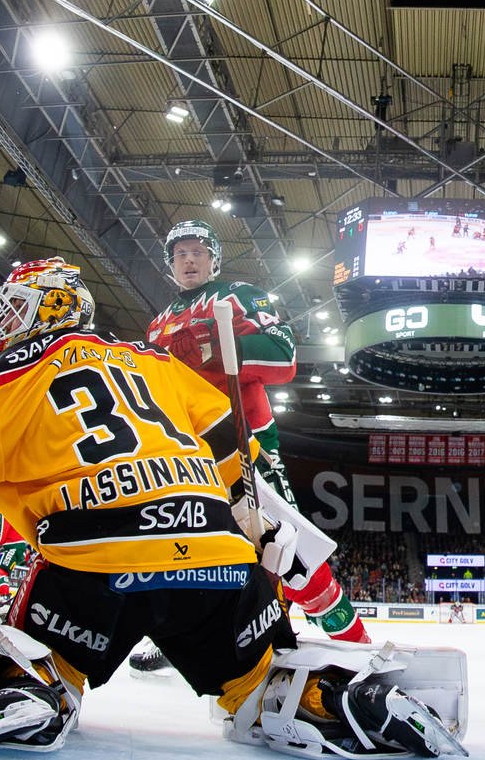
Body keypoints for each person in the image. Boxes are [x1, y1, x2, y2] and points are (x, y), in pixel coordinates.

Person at [0, 256, 465, 759]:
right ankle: (324, 699)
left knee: (51, 655)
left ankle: (32, 682)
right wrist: (258, 532)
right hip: (218, 558)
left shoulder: (13, 372)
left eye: (13, 310)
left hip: (95, 555)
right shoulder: (150, 363)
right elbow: (232, 454)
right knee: (259, 679)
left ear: (35, 312)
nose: (5, 323)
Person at [129, 219, 369, 679]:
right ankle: (190, 633)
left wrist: (217, 349)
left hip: (246, 444)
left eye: (198, 251)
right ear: (170, 265)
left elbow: (283, 357)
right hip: (185, 452)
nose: (190, 260)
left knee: (285, 551)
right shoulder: (157, 324)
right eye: (180, 254)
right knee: (189, 548)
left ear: (214, 258)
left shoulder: (238, 295)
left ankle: (355, 643)